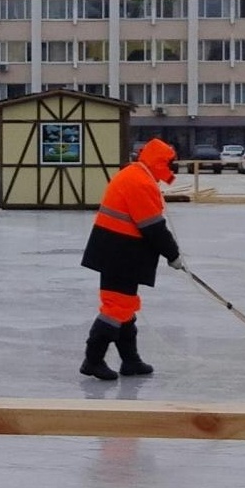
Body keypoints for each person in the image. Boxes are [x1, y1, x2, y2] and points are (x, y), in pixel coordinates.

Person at [78, 137, 184, 380]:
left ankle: (130, 361)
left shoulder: (136, 175)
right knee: (116, 308)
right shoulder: (140, 182)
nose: (171, 169)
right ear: (159, 162)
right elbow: (153, 227)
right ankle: (92, 360)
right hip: (120, 254)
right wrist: (174, 255)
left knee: (124, 305)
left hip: (118, 252)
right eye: (169, 163)